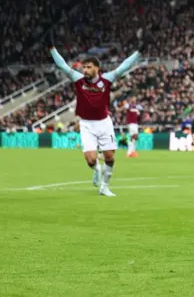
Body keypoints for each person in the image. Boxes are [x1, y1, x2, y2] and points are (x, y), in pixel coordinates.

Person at [49, 38, 145, 196]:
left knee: (110, 157)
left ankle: (105, 187)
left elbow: (124, 66)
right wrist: (51, 48)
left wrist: (139, 52)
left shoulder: (107, 79)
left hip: (104, 123)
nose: (85, 70)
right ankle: (96, 169)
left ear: (97, 68)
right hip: (87, 125)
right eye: (84, 67)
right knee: (91, 160)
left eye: (88, 67)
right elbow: (62, 65)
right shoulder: (79, 80)